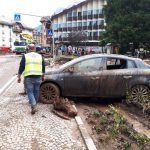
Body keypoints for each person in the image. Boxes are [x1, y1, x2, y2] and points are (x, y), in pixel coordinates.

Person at [17, 43, 45, 115]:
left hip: (29, 77)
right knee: (36, 91)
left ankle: (33, 105)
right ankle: (34, 105)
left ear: (28, 49)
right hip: (38, 76)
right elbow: (43, 67)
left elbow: (21, 67)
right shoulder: (40, 56)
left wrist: (19, 76)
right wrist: (43, 75)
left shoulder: (25, 56)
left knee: (30, 92)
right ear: (35, 48)